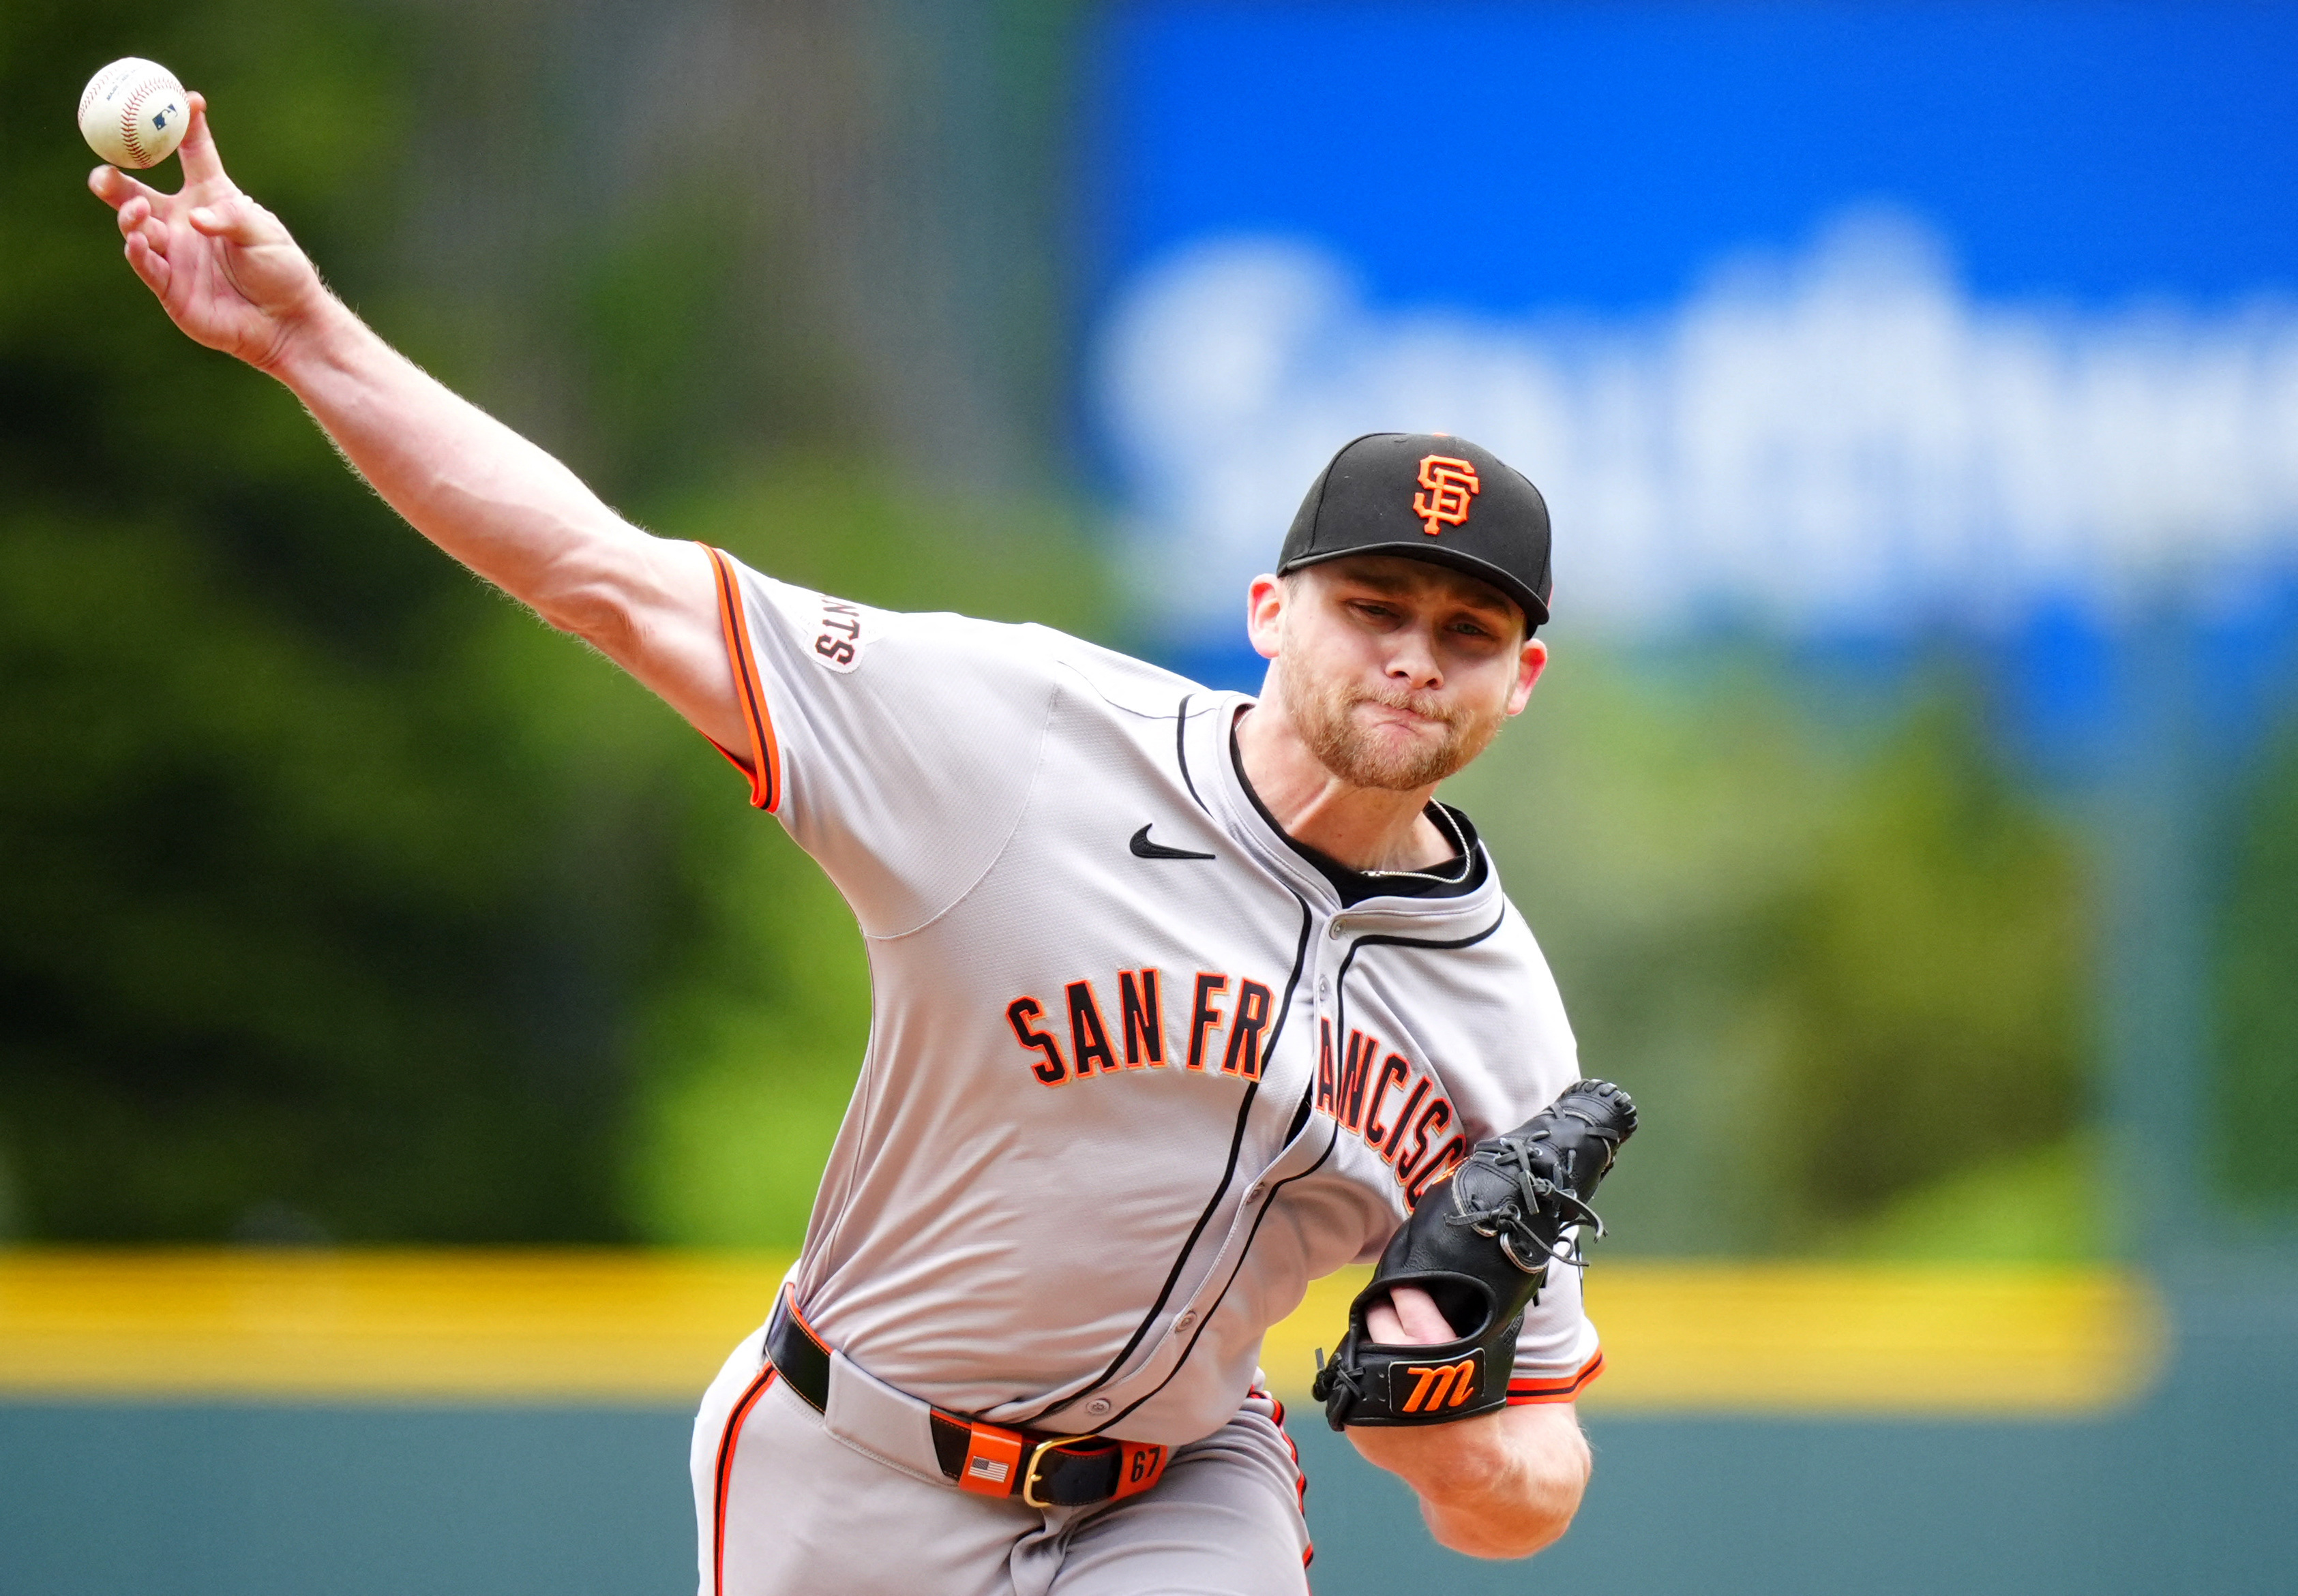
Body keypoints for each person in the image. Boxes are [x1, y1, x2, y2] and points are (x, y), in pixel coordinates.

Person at [93, 97, 1612, 1596]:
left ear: (1519, 678)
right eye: (1372, 608)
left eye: (1466, 630)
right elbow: (599, 577)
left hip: (1177, 1493)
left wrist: (1434, 1402)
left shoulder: (1498, 1018)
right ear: (1270, 610)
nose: (1415, 655)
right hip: (848, 1465)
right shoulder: (1016, 735)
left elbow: (1520, 1495)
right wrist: (305, 337)